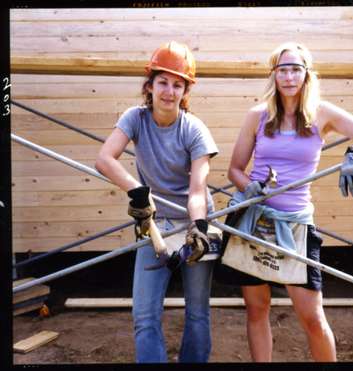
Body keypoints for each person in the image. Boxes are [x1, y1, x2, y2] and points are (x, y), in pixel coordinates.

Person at [222, 42, 353, 362]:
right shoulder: (257, 115)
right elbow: (234, 170)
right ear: (274, 75)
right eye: (282, 69)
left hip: (296, 225)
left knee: (312, 317)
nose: (288, 76)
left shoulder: (321, 113)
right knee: (257, 310)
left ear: (306, 74)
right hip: (255, 221)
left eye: (295, 69)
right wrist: (251, 187)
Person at [95, 41, 219, 363]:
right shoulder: (135, 118)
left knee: (197, 312)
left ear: (185, 91)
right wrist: (138, 191)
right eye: (163, 82)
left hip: (196, 222)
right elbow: (105, 159)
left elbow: (197, 190)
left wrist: (199, 228)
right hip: (154, 225)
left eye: (178, 84)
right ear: (149, 85)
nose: (169, 91)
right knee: (145, 316)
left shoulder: (195, 129)